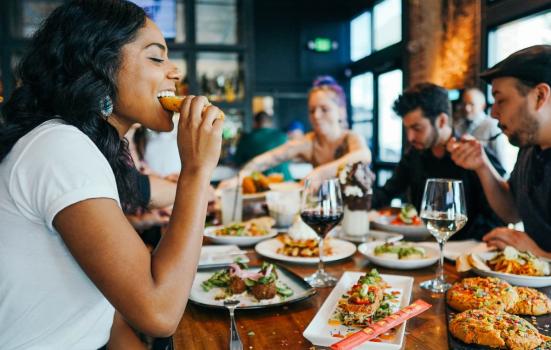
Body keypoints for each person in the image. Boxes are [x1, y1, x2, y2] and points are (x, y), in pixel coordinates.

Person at [0, 1, 223, 349]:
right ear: (100, 67)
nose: (175, 71)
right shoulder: (60, 147)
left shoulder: (89, 149)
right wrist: (197, 170)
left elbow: (107, 318)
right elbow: (160, 314)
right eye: (155, 57)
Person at [448, 45, 551, 257]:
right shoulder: (529, 149)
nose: (494, 113)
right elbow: (512, 211)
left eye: (501, 100)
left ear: (540, 96)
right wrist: (482, 165)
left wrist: (537, 254)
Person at [372, 82, 505, 241]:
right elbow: (387, 192)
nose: (410, 137)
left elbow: (499, 217)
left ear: (442, 121)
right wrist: (356, 198)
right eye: (407, 129)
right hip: (422, 248)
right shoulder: (414, 155)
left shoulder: (474, 155)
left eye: (417, 128)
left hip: (465, 253)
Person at [218, 76, 371, 187]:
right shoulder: (309, 142)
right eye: (312, 110)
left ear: (341, 111)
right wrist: (239, 178)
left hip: (358, 213)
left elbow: (363, 155)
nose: (316, 116)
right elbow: (269, 158)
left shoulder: (351, 137)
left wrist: (319, 173)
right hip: (327, 212)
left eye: (324, 109)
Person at [454, 87, 511, 174]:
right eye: (464, 104)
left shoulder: (493, 126)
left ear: (482, 105)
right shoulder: (458, 126)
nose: (467, 108)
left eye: (471, 104)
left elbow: (502, 164)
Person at [233, 111, 292, 180]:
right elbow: (290, 159)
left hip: (259, 183)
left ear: (255, 123)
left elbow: (237, 162)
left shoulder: (246, 139)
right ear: (270, 122)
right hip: (286, 181)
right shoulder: (283, 136)